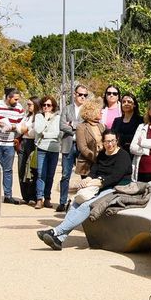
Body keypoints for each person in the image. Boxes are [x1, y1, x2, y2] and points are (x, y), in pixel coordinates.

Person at [37, 131, 134, 250]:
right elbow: (94, 170)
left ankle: (56, 231)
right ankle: (59, 239)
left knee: (87, 205)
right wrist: (87, 179)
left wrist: (97, 182)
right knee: (76, 203)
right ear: (103, 142)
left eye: (112, 141)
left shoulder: (123, 156)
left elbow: (115, 177)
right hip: (98, 185)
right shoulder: (102, 154)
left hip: (116, 188)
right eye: (106, 141)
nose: (109, 144)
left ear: (117, 141)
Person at [0, 86, 26, 204]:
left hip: (9, 143)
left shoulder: (19, 108)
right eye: (15, 99)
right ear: (8, 97)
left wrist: (13, 127)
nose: (17, 102)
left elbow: (22, 124)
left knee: (8, 170)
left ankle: (8, 195)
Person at [56, 83, 90, 213]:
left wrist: (72, 124)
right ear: (75, 94)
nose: (82, 97)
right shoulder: (67, 109)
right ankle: (62, 202)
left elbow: (87, 126)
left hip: (82, 146)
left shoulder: (87, 110)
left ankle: (82, 201)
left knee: (84, 175)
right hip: (68, 144)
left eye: (85, 95)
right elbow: (62, 126)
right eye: (80, 94)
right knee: (65, 175)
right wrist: (77, 127)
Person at [28, 95, 62, 209]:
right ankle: (39, 198)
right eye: (44, 105)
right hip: (42, 148)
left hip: (54, 149)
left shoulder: (58, 117)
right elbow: (38, 130)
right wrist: (46, 119)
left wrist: (46, 134)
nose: (46, 107)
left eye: (49, 105)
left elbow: (58, 133)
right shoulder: (38, 116)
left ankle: (47, 198)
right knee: (41, 174)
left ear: (53, 106)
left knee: (50, 175)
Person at [73, 99, 104, 179]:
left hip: (101, 164)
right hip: (87, 166)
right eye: (99, 111)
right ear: (91, 112)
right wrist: (95, 158)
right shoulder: (81, 127)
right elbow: (82, 148)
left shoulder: (101, 126)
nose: (102, 112)